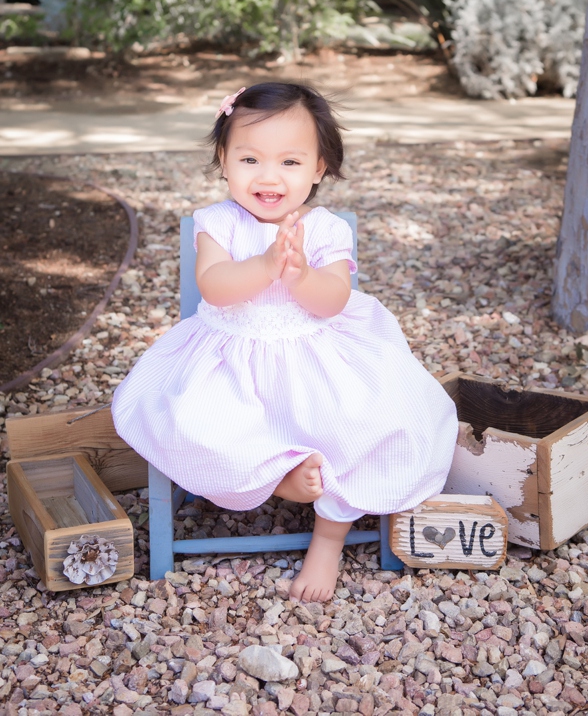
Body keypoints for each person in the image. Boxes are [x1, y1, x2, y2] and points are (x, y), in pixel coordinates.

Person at [112, 81, 458, 602]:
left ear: (319, 168)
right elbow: (215, 287)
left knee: (369, 423)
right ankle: (280, 477)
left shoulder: (325, 229)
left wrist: (300, 277)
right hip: (230, 358)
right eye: (250, 159)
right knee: (190, 425)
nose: (268, 176)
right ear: (224, 161)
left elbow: (333, 299)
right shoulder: (218, 222)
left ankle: (329, 539)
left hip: (318, 356)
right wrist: (266, 263)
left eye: (290, 162)